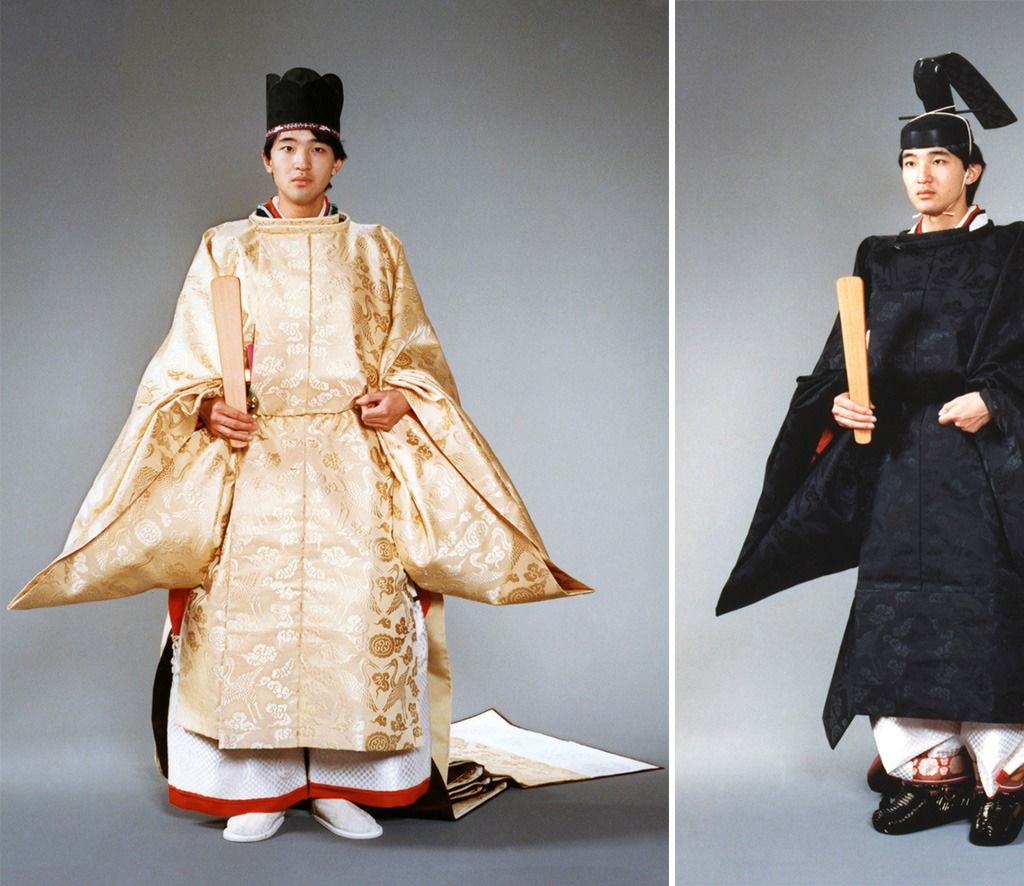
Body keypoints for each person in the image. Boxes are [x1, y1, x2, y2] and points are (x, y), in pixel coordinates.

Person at [10, 67, 589, 843]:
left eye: (317, 147)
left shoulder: (377, 251)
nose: (301, 161)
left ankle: (341, 784)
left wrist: (403, 398)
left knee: (353, 621)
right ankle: (260, 787)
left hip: (354, 459)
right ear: (266, 158)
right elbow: (180, 364)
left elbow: (415, 354)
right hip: (258, 461)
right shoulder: (226, 248)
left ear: (338, 161)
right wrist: (208, 407)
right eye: (287, 146)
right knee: (253, 624)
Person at [716, 53, 1024, 846]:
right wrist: (839, 400)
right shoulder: (878, 257)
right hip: (893, 464)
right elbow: (837, 363)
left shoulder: (1005, 254)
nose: (921, 178)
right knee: (899, 618)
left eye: (939, 161)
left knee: (994, 617)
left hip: (980, 469)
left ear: (973, 170)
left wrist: (997, 399)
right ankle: (929, 775)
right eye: (910, 162)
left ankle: (1002, 781)